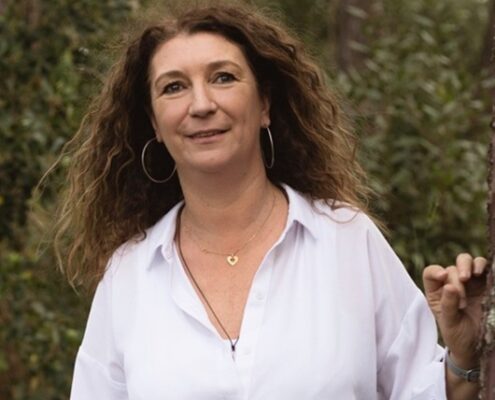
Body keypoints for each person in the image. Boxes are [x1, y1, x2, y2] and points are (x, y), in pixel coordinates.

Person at [54, 3, 488, 399]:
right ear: (154, 122)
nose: (201, 104)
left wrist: (466, 357)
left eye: (223, 77)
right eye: (174, 87)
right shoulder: (128, 275)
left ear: (264, 103)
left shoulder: (348, 240)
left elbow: (421, 391)